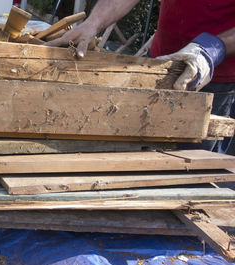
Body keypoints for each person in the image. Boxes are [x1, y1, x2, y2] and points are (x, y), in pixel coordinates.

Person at [45, 0, 235, 154]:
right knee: (134, 154)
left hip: (214, 78)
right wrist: (93, 23)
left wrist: (213, 49)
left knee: (190, 173)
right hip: (158, 63)